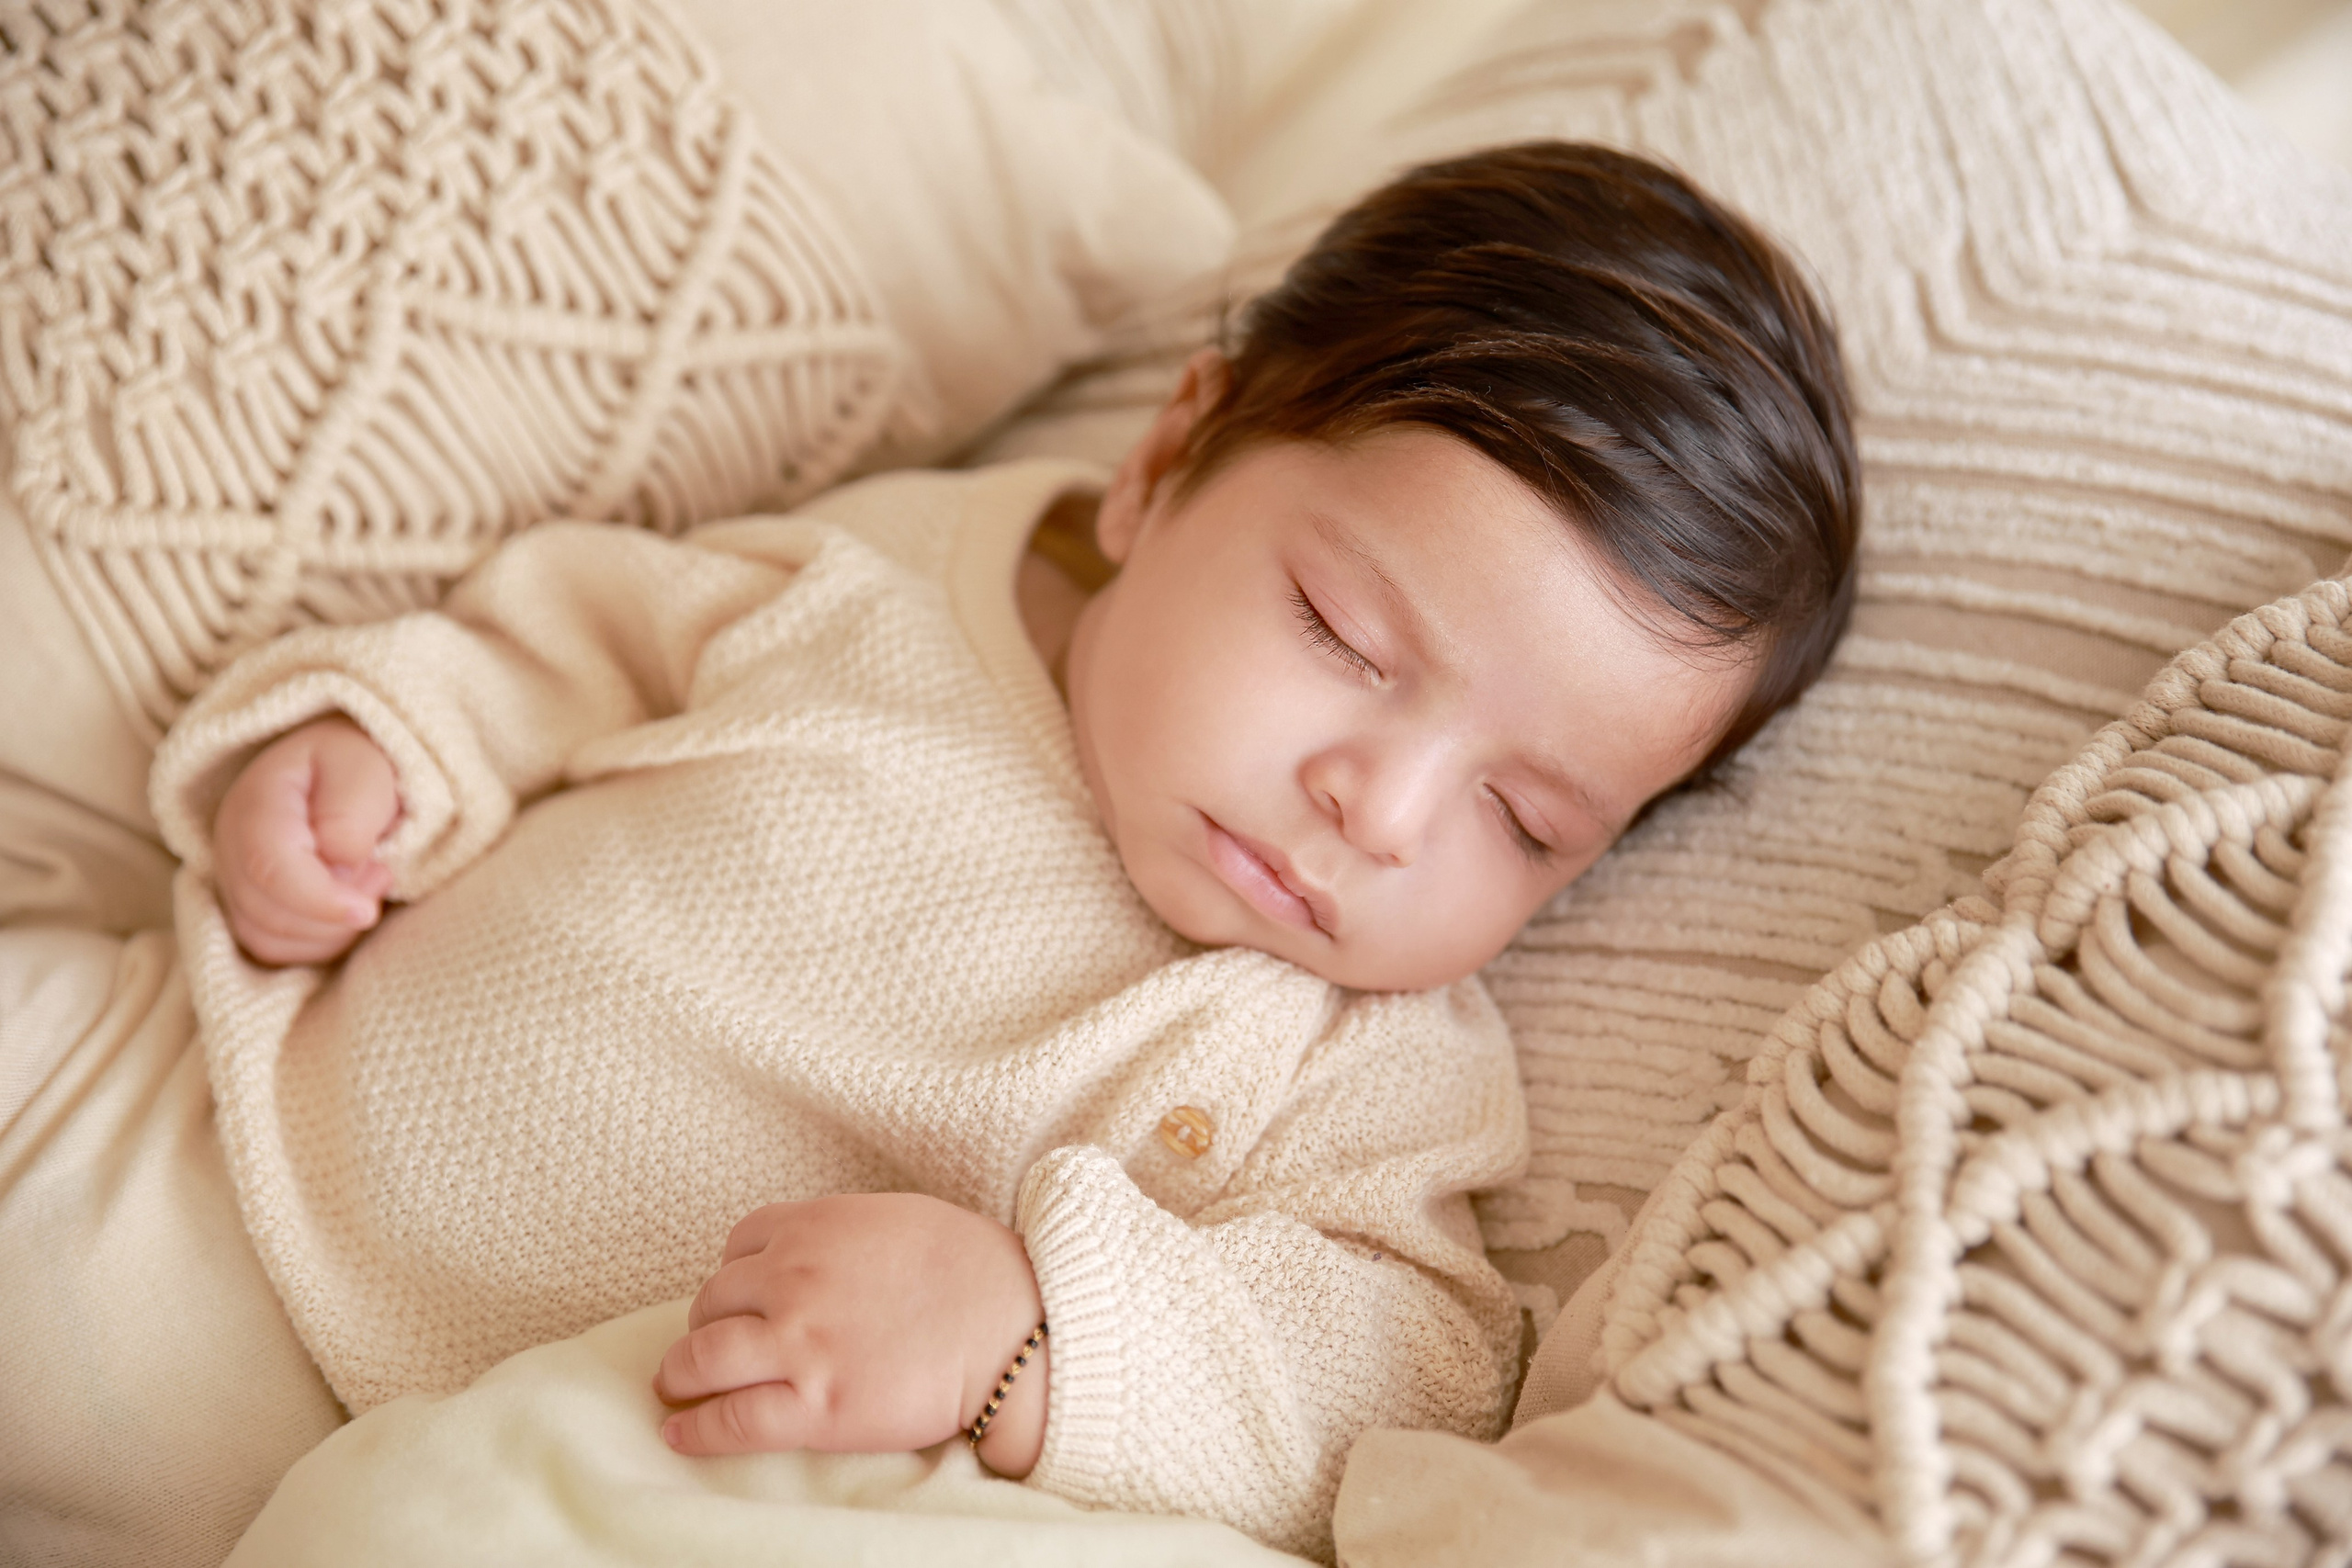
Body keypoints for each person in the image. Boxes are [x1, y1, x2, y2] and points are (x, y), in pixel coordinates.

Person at [155, 141, 1858, 1556]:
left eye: (1523, 818)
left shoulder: (1359, 1065)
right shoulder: (903, 578)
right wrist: (375, 751)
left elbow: (1399, 1378)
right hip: (207, 1139)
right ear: (1167, 460)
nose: (1385, 810)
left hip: (542, 1482)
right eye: (1344, 634)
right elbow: (574, 635)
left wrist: (1030, 1332)